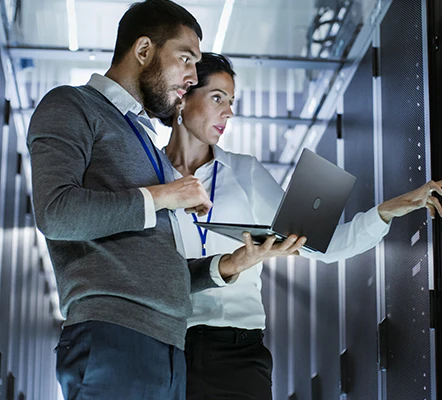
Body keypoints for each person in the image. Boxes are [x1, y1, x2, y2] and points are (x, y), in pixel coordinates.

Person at [26, 2, 303, 399]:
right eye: (185, 58)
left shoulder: (147, 147)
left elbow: (158, 268)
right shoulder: (72, 105)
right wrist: (167, 194)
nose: (191, 77)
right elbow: (57, 212)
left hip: (169, 348)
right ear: (143, 51)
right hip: (114, 336)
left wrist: (229, 265)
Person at [162, 52, 442, 399]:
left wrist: (386, 211)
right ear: (183, 97)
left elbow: (323, 246)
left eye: (231, 101)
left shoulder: (246, 172)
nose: (229, 112)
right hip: (166, 347)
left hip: (238, 354)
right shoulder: (149, 176)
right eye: (217, 98)